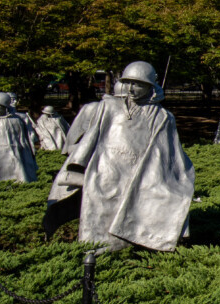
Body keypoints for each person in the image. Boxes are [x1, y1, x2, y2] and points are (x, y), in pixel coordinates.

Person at [44, 61, 195, 253]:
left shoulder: (163, 117)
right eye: (128, 83)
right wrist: (77, 165)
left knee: (135, 215)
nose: (131, 88)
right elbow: (92, 136)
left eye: (138, 84)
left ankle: (131, 252)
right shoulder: (108, 107)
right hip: (105, 171)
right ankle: (94, 257)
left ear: (150, 85)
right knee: (98, 224)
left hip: (137, 174)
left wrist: (178, 181)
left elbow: (168, 152)